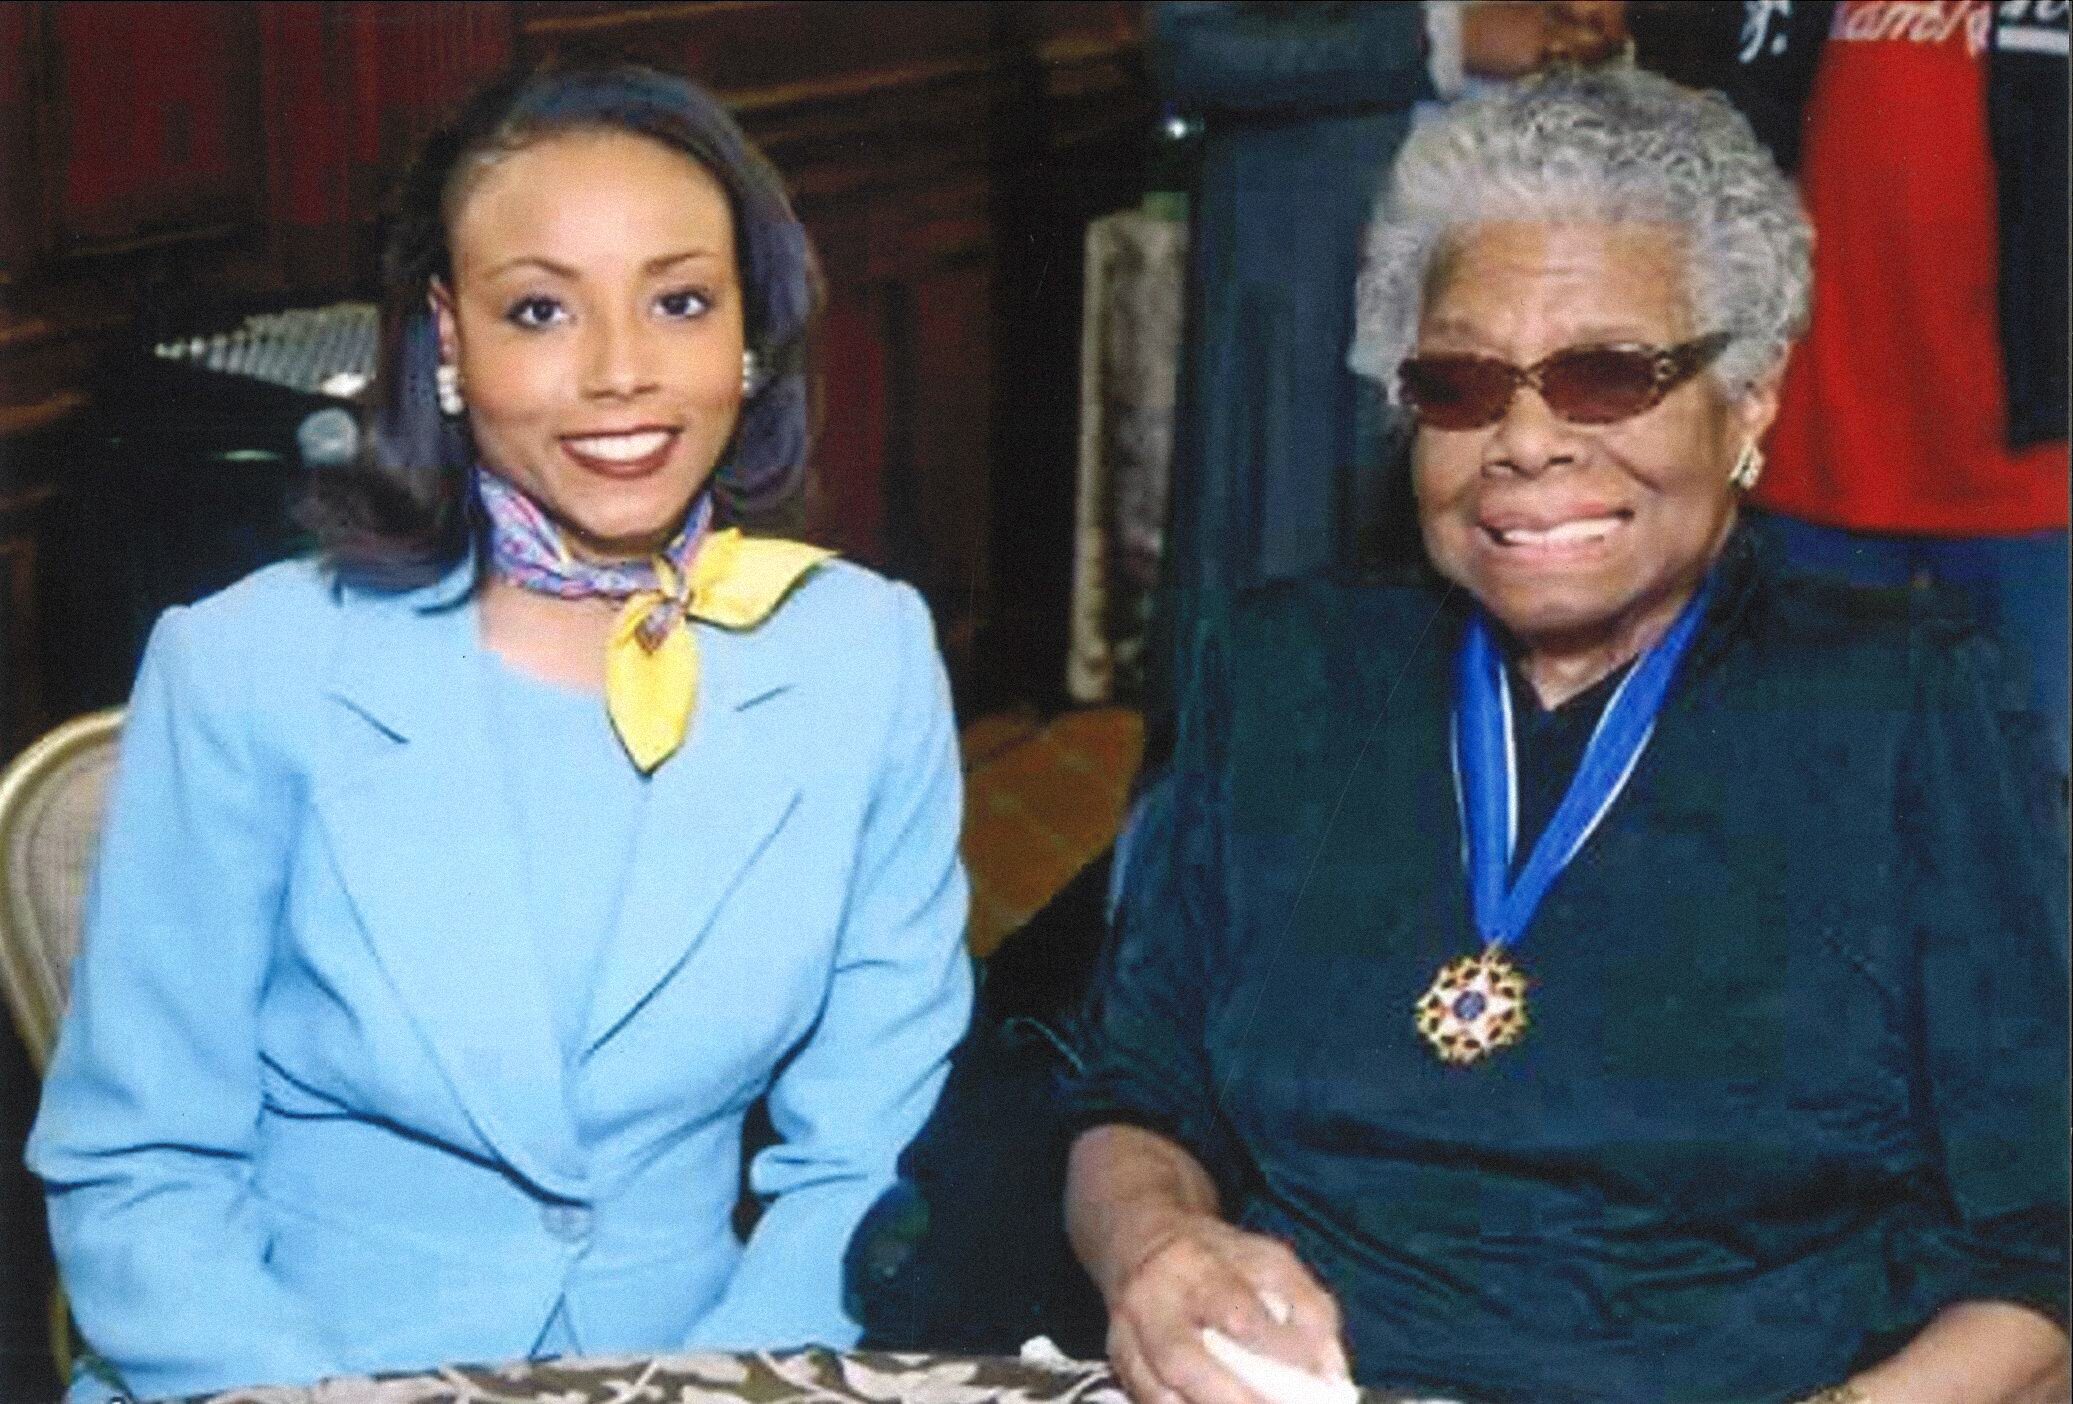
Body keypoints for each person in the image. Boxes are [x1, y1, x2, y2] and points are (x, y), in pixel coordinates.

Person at [1066, 68, 2068, 1404]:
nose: (1524, 441)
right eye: (1462, 386)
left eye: (1605, 377)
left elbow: (2041, 1233)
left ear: (1749, 402)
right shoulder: (1288, 670)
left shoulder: (1907, 707)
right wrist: (1156, 1245)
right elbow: (1131, 1094)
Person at [27, 66, 973, 1403]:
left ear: (747, 338)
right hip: (288, 1376)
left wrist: (725, 1388)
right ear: (450, 342)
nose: (621, 372)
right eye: (540, 310)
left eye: (681, 301)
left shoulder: (861, 658)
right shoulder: (248, 668)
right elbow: (141, 1173)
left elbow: (872, 1153)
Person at [1146, 0, 1629, 732]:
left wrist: (1583, 28)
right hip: (1312, 291)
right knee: (1287, 644)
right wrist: (1446, 40)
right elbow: (1195, 48)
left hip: (1519, 267)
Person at [1719, 0, 2070, 782]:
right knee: (1816, 785)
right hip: (1819, 458)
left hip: (2028, 477)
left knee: (2018, 801)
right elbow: (1734, 155)